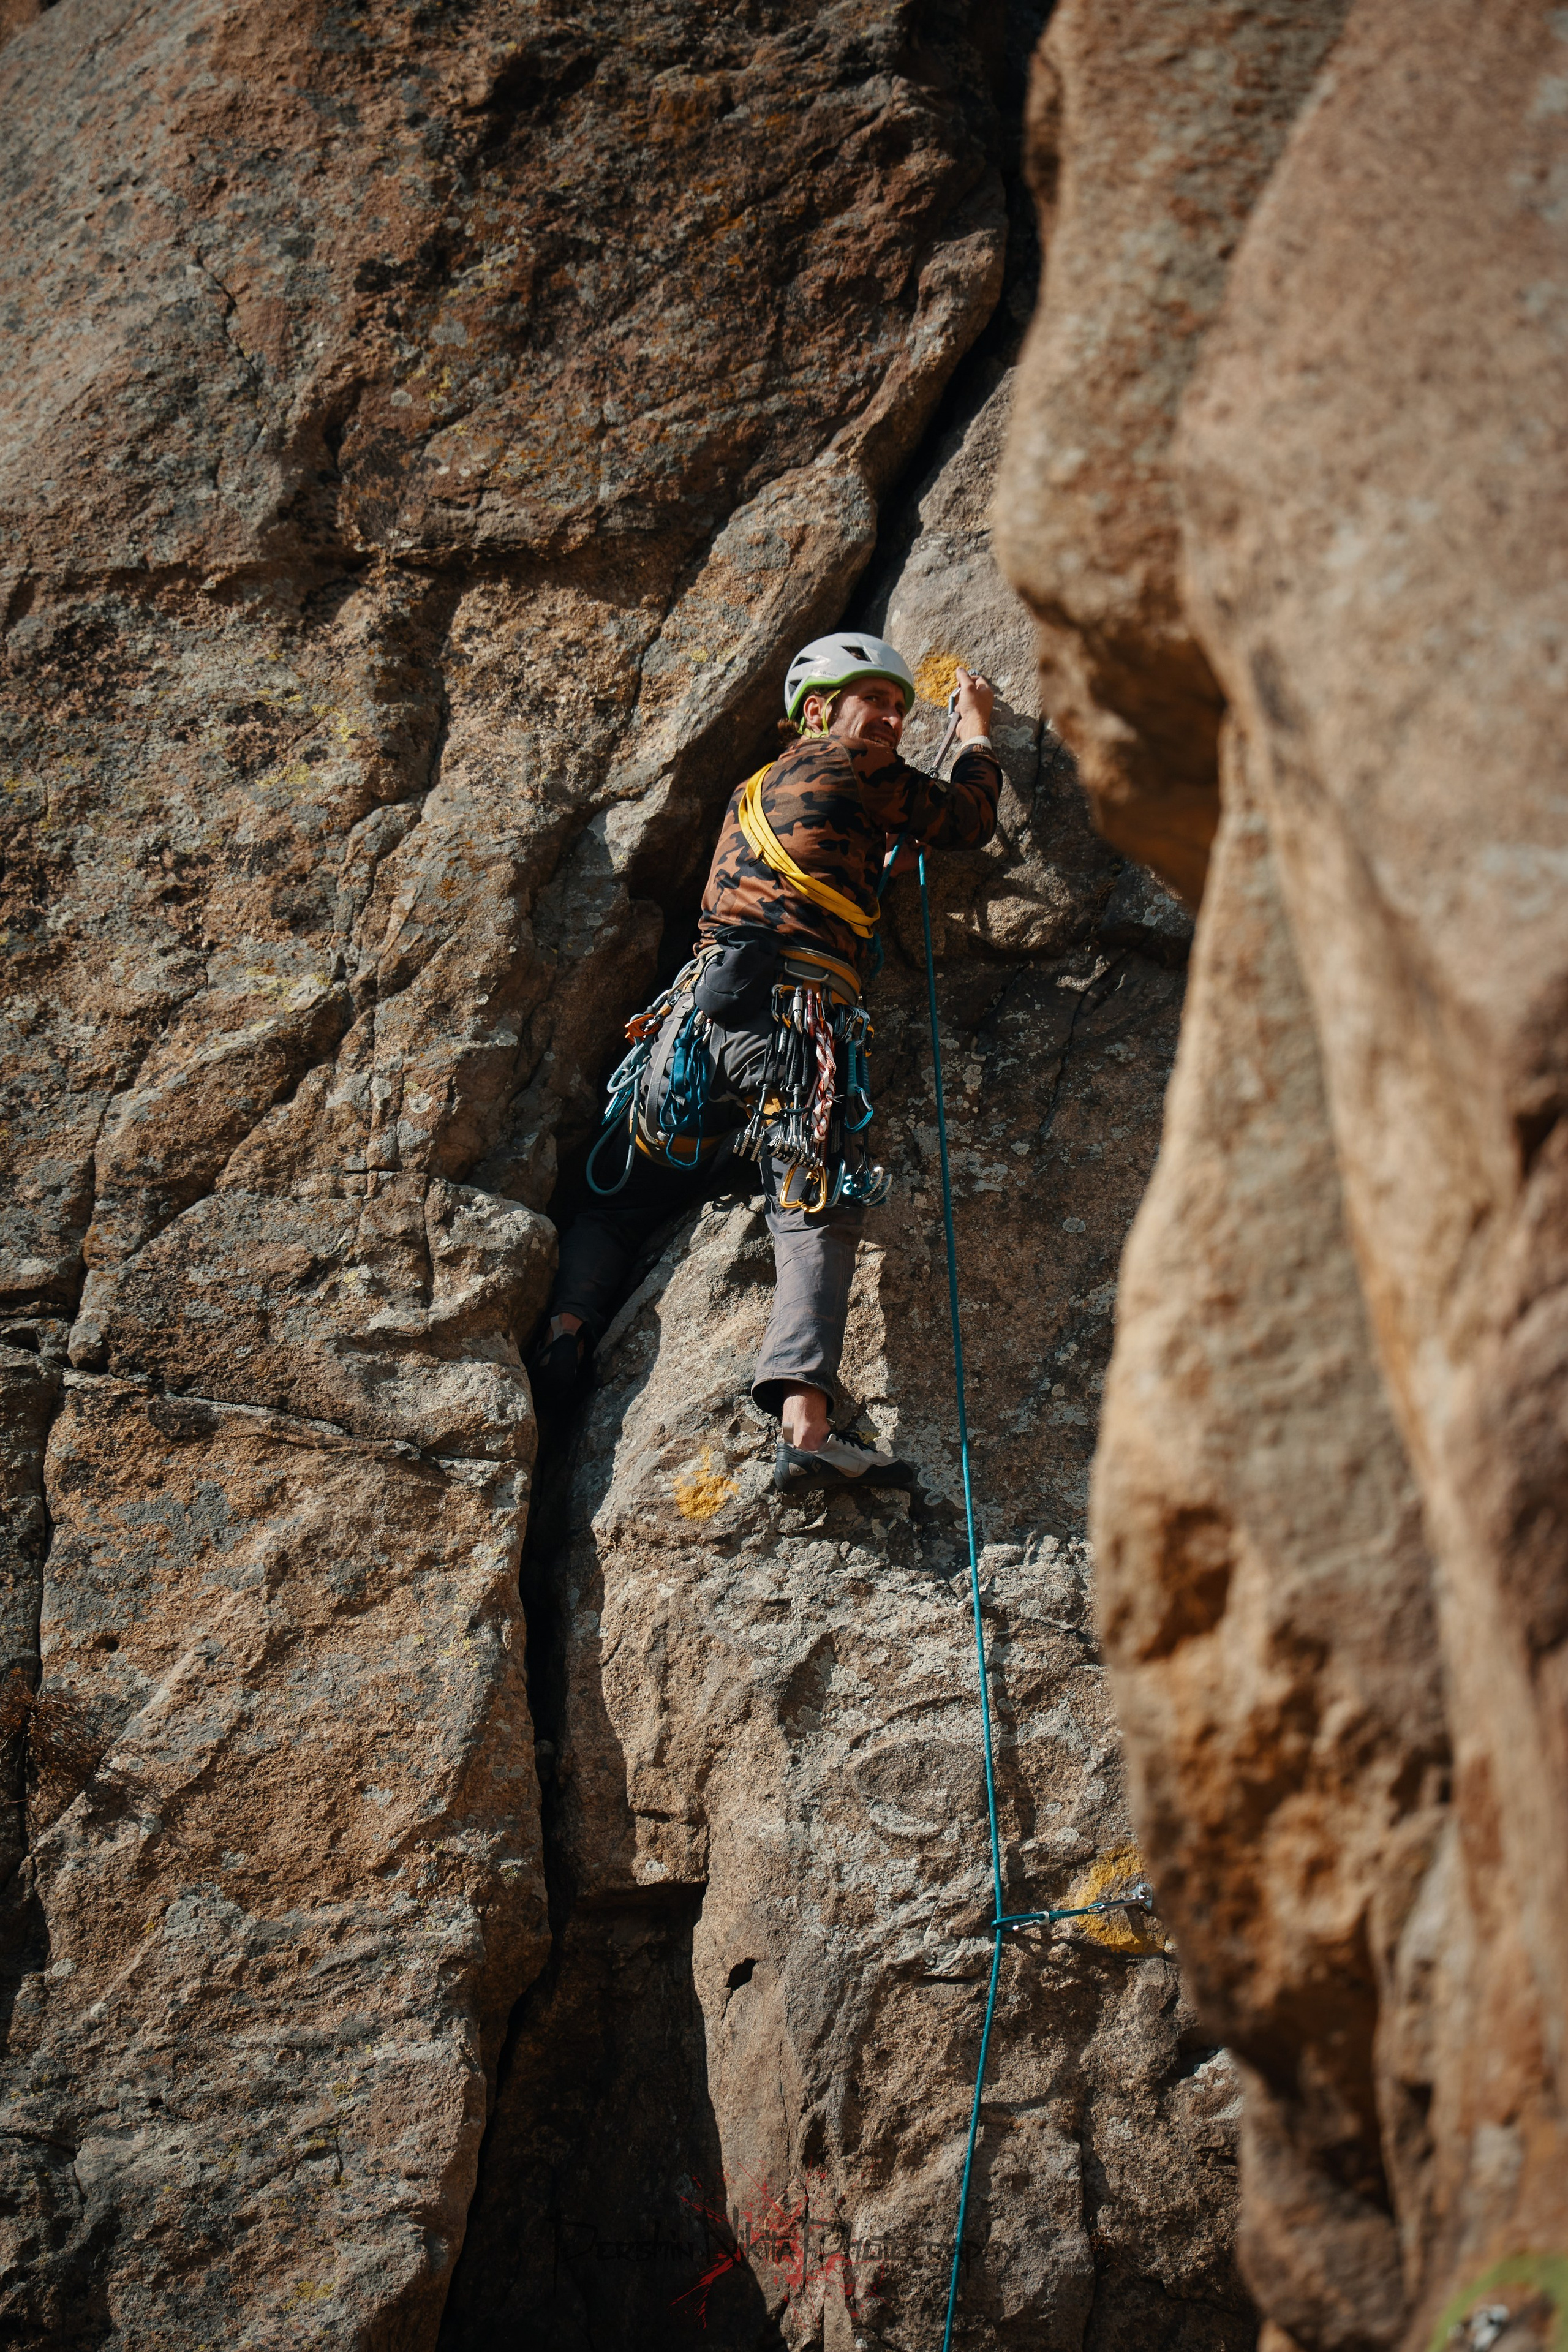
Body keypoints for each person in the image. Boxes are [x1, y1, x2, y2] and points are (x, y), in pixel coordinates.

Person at [532, 631, 1000, 1491]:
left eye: (901, 709)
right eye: (877, 704)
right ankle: (807, 1426)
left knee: (630, 1194)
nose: (892, 721)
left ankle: (568, 1324)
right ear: (819, 712)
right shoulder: (845, 758)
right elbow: (966, 820)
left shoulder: (760, 788)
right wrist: (973, 736)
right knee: (812, 1201)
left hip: (696, 1022)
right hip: (789, 1015)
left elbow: (826, 860)